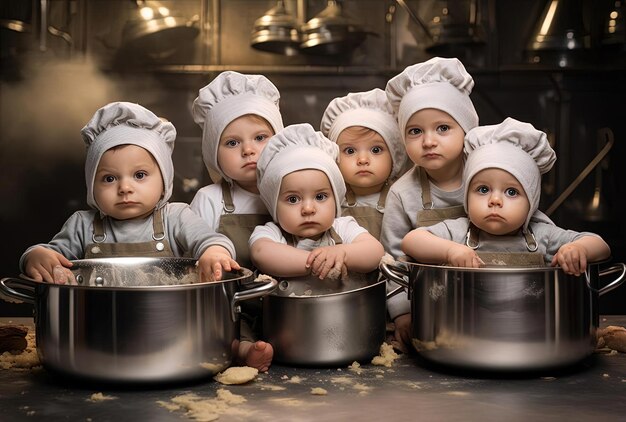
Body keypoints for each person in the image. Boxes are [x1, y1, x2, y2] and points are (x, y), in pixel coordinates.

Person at [20, 101, 238, 285]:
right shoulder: (82, 225)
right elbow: (51, 254)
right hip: (98, 321)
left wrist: (215, 252)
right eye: (109, 178)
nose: (125, 188)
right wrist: (35, 256)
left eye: (140, 175)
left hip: (167, 320)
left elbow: (210, 240)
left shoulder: (176, 217)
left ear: (164, 181)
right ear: (91, 186)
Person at [402, 117, 611, 274]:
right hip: (464, 326)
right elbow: (412, 240)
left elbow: (601, 246)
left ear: (531, 202)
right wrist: (450, 251)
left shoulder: (542, 235)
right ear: (466, 198)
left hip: (529, 326)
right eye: (483, 190)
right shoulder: (459, 232)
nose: (494, 200)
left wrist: (576, 249)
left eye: (511, 192)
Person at [380, 57, 480, 347]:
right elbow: (393, 261)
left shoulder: (490, 182)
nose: (428, 141)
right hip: (430, 310)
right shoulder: (402, 193)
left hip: (488, 302)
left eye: (443, 128)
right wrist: (402, 314)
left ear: (467, 129)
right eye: (415, 131)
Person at [190, 71, 284, 372]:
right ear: (213, 155)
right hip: (232, 310)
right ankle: (242, 351)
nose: (248, 150)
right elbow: (194, 254)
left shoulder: (294, 190)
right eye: (232, 143)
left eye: (260, 137)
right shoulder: (210, 198)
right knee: (222, 333)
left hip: (287, 308)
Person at [249, 123, 385, 280]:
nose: (308, 209)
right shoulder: (272, 233)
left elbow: (375, 251)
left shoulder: (342, 227)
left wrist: (343, 253)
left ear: (336, 199)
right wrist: (317, 263)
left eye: (320, 197)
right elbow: (260, 253)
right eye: (293, 199)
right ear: (273, 206)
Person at [319, 88, 408, 240]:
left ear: (395, 156)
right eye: (350, 151)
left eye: (375, 150)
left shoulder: (403, 196)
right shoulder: (329, 198)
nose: (362, 160)